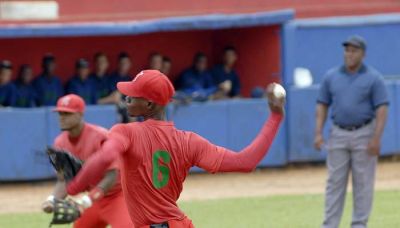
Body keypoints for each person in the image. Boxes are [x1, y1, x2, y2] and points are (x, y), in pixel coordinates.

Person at [66, 70, 285, 227]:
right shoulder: (189, 141)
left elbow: (106, 157)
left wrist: (74, 186)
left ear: (150, 105)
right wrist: (275, 117)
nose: (127, 98)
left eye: (133, 95)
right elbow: (245, 162)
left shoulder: (126, 132)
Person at [314, 35, 388, 228]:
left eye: (354, 50)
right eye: (347, 50)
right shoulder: (331, 76)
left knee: (363, 183)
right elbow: (322, 104)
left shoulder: (373, 78)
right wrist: (318, 132)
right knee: (334, 183)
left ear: (363, 54)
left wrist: (376, 138)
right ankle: (330, 225)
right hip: (338, 132)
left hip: (364, 132)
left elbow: (382, 109)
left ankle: (359, 224)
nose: (349, 54)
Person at [41, 94, 133, 228]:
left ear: (80, 114)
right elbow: (63, 180)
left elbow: (112, 176)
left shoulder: (100, 136)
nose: (62, 118)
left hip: (119, 196)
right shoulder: (60, 142)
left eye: (67, 113)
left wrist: (87, 200)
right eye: (60, 113)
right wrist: (52, 200)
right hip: (94, 200)